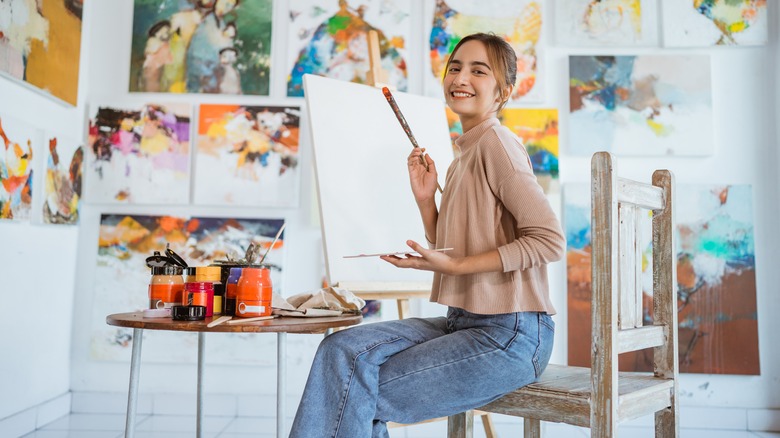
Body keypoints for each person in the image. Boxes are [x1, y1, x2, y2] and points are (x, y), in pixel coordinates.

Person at [289, 32, 565, 438]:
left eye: (478, 70)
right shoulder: (463, 156)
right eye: (455, 67)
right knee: (339, 351)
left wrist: (455, 264)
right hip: (464, 324)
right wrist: (425, 200)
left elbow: (548, 239)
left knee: (349, 391)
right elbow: (452, 248)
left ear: (503, 92)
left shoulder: (498, 144)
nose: (460, 77)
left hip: (512, 335)